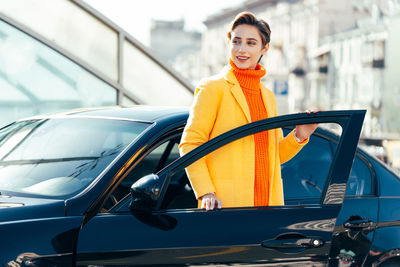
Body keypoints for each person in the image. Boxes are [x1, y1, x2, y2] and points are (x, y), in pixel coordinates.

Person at [179, 11, 317, 211]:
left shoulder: (267, 96)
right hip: (224, 206)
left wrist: (299, 136)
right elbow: (190, 143)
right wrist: (206, 192)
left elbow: (273, 155)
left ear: (265, 48)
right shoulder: (213, 88)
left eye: (251, 43)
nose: (241, 49)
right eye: (236, 42)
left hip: (268, 206)